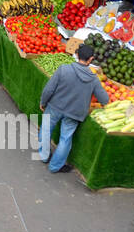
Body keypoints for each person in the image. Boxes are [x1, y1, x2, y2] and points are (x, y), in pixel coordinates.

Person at [37, 43, 107, 173]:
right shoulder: (93, 79)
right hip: (74, 113)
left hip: (55, 106)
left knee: (46, 129)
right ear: (91, 59)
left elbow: (49, 89)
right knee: (65, 139)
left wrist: (43, 102)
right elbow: (104, 100)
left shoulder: (63, 69)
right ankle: (55, 166)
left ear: (76, 55)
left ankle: (44, 155)